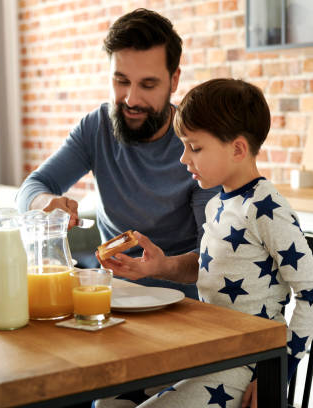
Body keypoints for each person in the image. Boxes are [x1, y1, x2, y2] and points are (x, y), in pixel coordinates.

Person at [98, 79, 313, 408]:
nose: (183, 159)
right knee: (109, 401)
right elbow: (213, 267)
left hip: (247, 362)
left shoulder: (266, 208)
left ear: (237, 149)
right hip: (212, 349)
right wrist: (161, 266)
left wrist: (279, 372)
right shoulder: (217, 204)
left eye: (195, 147)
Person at [16, 9, 219, 298]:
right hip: (113, 297)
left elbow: (215, 258)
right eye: (121, 81)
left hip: (183, 304)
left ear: (174, 81)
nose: (131, 99)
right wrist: (47, 202)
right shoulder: (97, 127)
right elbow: (28, 189)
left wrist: (160, 267)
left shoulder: (198, 144)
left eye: (148, 85)